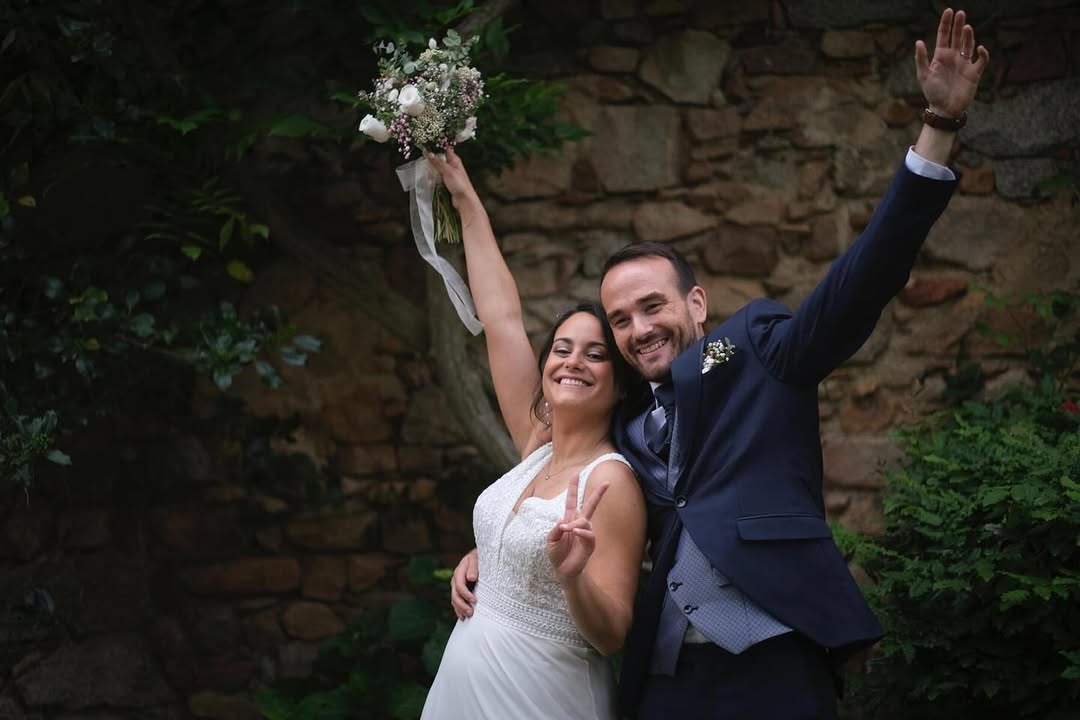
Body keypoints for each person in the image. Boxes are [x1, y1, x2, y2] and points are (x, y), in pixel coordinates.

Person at [451, 8, 990, 719]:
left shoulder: (759, 351)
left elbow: (861, 281)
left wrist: (938, 129)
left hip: (774, 658)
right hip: (666, 676)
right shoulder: (622, 428)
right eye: (621, 320)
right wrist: (495, 553)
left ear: (697, 303)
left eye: (652, 306)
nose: (639, 329)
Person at [419, 149, 647, 720]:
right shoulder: (536, 445)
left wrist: (573, 579)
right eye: (562, 349)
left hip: (541, 696)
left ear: (620, 384)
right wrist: (464, 197)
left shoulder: (612, 482)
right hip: (462, 694)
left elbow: (612, 634)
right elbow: (500, 319)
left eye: (595, 354)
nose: (572, 362)